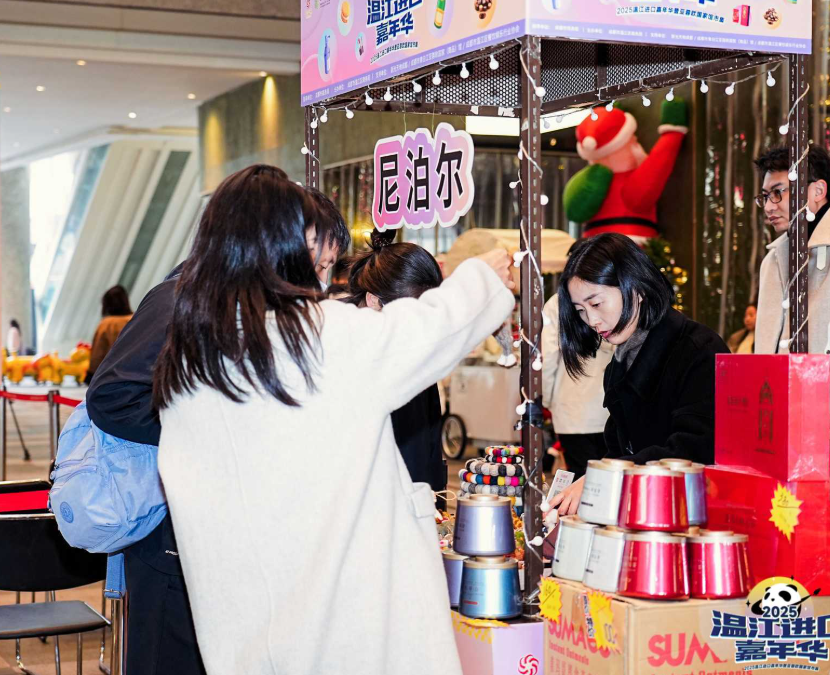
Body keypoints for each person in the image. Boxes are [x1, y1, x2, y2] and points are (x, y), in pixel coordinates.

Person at [153, 164, 515, 675]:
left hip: (249, 628)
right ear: (278, 247)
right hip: (340, 625)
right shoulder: (312, 339)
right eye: (313, 253)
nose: (322, 274)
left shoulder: (195, 354)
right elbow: (420, 332)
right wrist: (481, 278)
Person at [83, 175, 350, 675]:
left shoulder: (260, 309)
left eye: (328, 267)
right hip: (170, 545)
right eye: (317, 262)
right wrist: (203, 431)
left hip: (227, 544)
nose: (319, 280)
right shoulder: (181, 298)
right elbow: (112, 397)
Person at [549, 233, 729, 515]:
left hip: (691, 517)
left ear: (636, 288)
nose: (592, 321)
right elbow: (619, 449)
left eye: (596, 304)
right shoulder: (620, 361)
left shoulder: (699, 350)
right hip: (646, 514)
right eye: (580, 310)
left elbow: (694, 451)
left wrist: (606, 475)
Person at [753, 146, 830, 464]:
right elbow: (764, 351)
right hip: (777, 425)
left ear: (818, 191)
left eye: (778, 192)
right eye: (765, 196)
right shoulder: (774, 259)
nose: (770, 206)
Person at [344, 231, 447, 495]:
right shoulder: (340, 347)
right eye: (413, 314)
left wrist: (434, 495)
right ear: (373, 301)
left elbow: (427, 439)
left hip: (416, 496)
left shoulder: (414, 349)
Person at [541, 290, 613, 480]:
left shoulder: (558, 302)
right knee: (609, 479)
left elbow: (547, 358)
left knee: (581, 480)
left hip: (571, 407)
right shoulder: (611, 294)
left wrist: (546, 399)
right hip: (609, 406)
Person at [86, 285, 133, 383]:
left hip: (110, 377)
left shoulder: (106, 324)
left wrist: (90, 375)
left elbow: (98, 354)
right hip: (135, 374)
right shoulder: (136, 319)